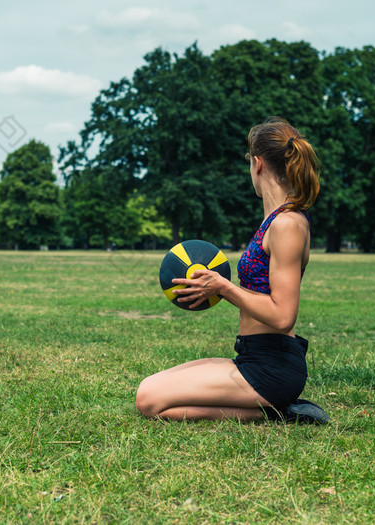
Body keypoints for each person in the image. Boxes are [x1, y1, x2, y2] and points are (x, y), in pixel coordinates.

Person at [136, 117, 330, 423]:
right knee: (149, 387)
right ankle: (273, 408)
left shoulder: (288, 224)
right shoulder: (275, 219)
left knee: (149, 401)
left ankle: (277, 412)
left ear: (258, 164)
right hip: (252, 356)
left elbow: (283, 316)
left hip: (273, 367)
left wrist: (223, 288)